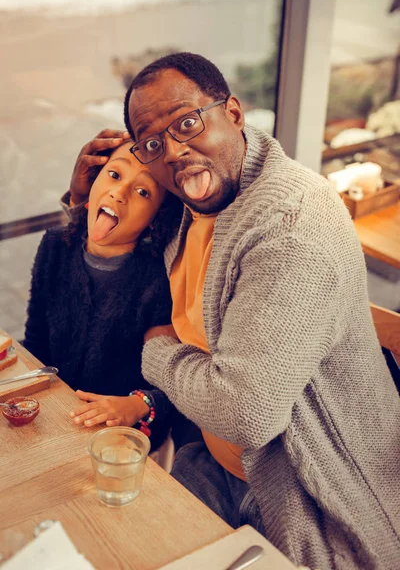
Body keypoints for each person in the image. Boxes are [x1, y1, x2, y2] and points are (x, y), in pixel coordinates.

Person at [70, 53, 400, 569]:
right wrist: (79, 202)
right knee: (96, 540)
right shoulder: (193, 202)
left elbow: (244, 413)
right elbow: (111, 254)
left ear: (236, 113)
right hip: (211, 458)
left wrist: (158, 350)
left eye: (187, 122)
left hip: (309, 489)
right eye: (153, 143)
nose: (175, 152)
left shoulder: (292, 225)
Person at [24, 139, 183, 450]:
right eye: (114, 175)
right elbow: (36, 342)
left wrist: (137, 404)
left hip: (126, 440)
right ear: (94, 180)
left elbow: (173, 386)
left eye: (143, 192)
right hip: (54, 419)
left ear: (156, 218)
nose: (119, 193)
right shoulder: (55, 247)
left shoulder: (163, 281)